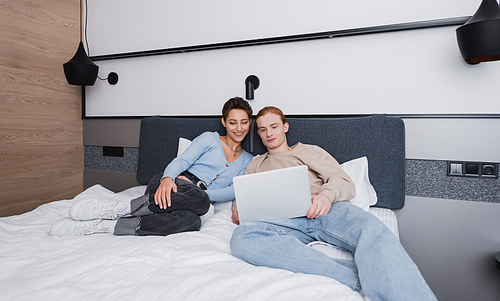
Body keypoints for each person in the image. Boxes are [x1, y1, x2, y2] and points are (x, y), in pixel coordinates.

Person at [229, 106, 437, 301]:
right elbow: (243, 196)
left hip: (327, 211)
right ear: (258, 133)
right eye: (263, 129)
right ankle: (353, 276)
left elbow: (343, 180)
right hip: (284, 222)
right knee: (242, 238)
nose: (269, 133)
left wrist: (325, 196)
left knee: (372, 229)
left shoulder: (308, 151)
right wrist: (238, 210)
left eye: (274, 127)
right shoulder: (256, 164)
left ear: (285, 127)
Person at [50, 97, 254, 237]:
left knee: (192, 222)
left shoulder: (248, 160)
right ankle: (119, 208)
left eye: (244, 122)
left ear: (249, 123)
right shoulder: (210, 139)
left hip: (198, 199)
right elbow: (182, 161)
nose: (239, 128)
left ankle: (106, 227)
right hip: (172, 184)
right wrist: (168, 180)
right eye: (233, 122)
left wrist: (202, 195)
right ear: (224, 122)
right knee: (198, 202)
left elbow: (233, 190)